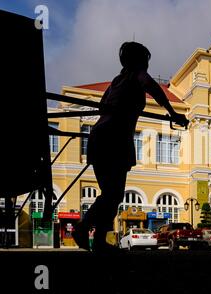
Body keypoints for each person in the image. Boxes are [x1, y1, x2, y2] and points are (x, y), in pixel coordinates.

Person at [73, 42, 188, 252]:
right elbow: (154, 89)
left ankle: (98, 240)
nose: (147, 65)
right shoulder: (137, 75)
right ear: (139, 61)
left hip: (99, 136)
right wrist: (173, 113)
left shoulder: (116, 81)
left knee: (109, 193)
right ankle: (84, 226)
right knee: (113, 194)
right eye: (145, 60)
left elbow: (102, 106)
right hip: (114, 138)